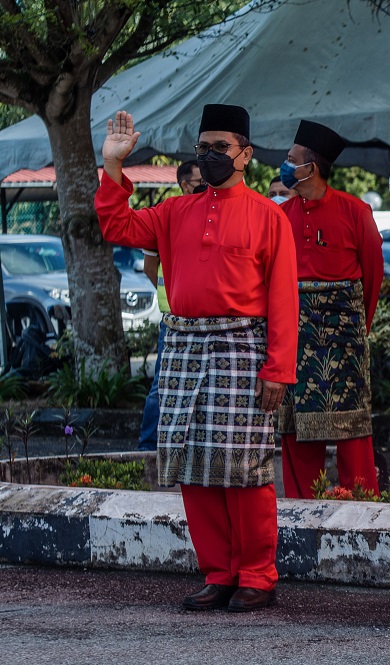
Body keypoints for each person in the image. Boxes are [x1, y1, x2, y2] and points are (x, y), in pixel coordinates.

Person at [96, 105, 299, 613]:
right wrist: (114, 166)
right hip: (184, 346)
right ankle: (219, 572)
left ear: (246, 155)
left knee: (244, 467)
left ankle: (257, 574)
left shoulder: (269, 215)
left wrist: (278, 369)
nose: (209, 157)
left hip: (241, 348)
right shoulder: (174, 211)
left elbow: (282, 299)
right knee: (193, 462)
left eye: (220, 148)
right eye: (202, 148)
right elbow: (117, 226)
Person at [276, 120, 384, 499]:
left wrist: (354, 329)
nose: (284, 166)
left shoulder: (356, 211)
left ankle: (364, 509)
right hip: (295, 338)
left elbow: (372, 276)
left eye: (291, 159)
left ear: (312, 166)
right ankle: (302, 512)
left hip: (344, 338)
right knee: (296, 431)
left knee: (352, 431)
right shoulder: (280, 215)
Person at [136, 160, 205, 452]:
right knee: (163, 384)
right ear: (184, 184)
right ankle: (148, 446)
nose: (205, 184)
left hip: (205, 318)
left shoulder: (209, 212)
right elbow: (150, 267)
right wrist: (174, 294)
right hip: (173, 318)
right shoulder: (168, 214)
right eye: (199, 179)